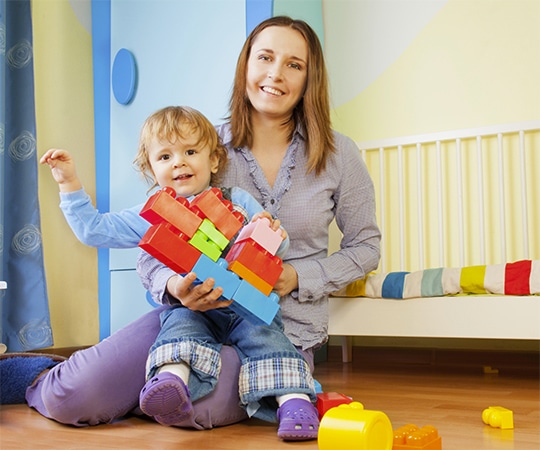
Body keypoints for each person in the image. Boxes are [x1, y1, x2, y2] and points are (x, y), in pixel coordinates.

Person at [0, 15, 380, 436]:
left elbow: (366, 248)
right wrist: (173, 286)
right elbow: (151, 244)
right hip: (189, 313)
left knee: (195, 405)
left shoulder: (338, 153)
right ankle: (34, 373)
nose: (275, 74)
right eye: (265, 58)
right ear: (246, 66)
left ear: (311, 77)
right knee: (70, 398)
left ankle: (155, 387)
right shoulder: (197, 145)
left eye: (294, 64)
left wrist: (294, 277)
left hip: (282, 328)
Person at [130, 106, 318, 441]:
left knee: (266, 336)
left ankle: (295, 401)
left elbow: (278, 245)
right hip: (194, 305)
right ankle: (171, 382)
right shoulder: (158, 219)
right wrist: (175, 285)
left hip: (246, 303)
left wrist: (268, 231)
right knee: (177, 325)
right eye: (165, 156)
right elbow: (149, 266)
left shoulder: (237, 201)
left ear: (214, 160)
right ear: (151, 168)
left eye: (190, 152)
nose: (179, 162)